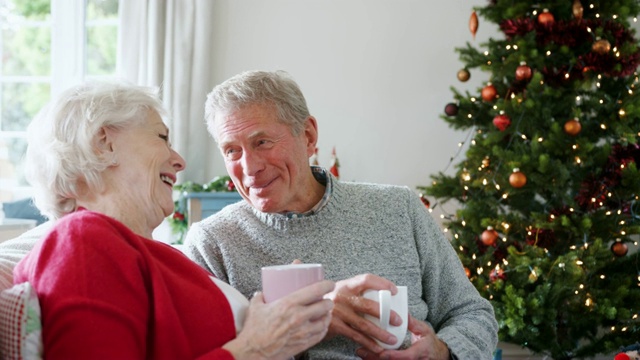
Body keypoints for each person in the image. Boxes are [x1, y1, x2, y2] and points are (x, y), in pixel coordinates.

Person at [184, 70, 499, 359]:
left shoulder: (399, 209)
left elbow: (473, 315)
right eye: (232, 151)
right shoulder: (212, 242)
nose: (249, 167)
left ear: (308, 136)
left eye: (262, 142)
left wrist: (443, 352)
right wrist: (311, 320)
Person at [12, 81, 335, 359]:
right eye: (161, 138)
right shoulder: (81, 241)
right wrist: (257, 348)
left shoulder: (147, 252)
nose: (179, 161)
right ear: (103, 143)